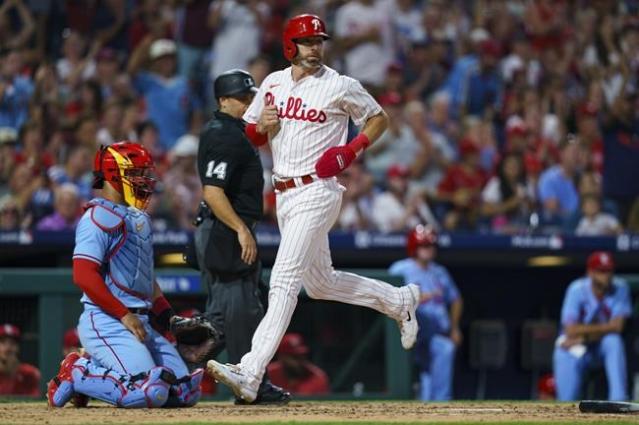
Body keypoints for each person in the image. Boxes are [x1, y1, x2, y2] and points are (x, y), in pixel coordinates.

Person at [206, 14, 420, 403]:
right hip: (285, 195)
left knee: (285, 279)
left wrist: (351, 150)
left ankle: (251, 371)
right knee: (319, 284)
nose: (315, 47)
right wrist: (261, 127)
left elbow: (378, 118)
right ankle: (398, 300)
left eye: (319, 40)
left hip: (318, 190)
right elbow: (252, 136)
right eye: (307, 42)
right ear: (290, 46)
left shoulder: (340, 85)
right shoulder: (272, 83)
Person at [47, 142, 203, 408]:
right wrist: (123, 314)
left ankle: (97, 371)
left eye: (144, 172)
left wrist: (167, 318)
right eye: (136, 173)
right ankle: (77, 371)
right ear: (112, 174)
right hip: (107, 319)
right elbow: (84, 276)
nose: (145, 179)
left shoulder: (139, 218)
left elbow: (144, 279)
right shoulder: (96, 216)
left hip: (142, 321)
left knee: (184, 393)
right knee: (147, 392)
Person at [193, 69, 290, 405]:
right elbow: (213, 191)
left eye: (252, 96)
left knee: (218, 319)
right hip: (225, 228)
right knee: (241, 309)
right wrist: (239, 229)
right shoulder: (224, 134)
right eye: (243, 98)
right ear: (223, 101)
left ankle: (170, 370)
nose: (250, 102)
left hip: (223, 226)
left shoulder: (233, 130)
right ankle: (253, 384)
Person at [389, 225, 462, 401]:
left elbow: (456, 299)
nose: (429, 249)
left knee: (434, 364)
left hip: (436, 332)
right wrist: (418, 297)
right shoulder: (400, 269)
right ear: (414, 247)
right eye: (424, 245)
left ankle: (434, 406)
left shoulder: (439, 271)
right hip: (411, 331)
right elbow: (390, 298)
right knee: (444, 350)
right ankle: (442, 400)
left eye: (431, 245)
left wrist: (454, 328)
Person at [553, 251, 632, 401]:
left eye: (609, 270)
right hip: (578, 348)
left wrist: (584, 336)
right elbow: (570, 330)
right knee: (563, 348)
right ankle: (565, 407)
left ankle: (618, 401)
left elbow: (618, 327)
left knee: (613, 340)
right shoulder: (576, 289)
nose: (606, 275)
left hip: (601, 347)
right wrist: (604, 328)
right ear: (590, 272)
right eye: (601, 271)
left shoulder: (621, 288)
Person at [0, 323, 40, 396]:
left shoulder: (29, 373)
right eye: (2, 342)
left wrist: (12, 373)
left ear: (18, 347)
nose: (8, 348)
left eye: (12, 343)